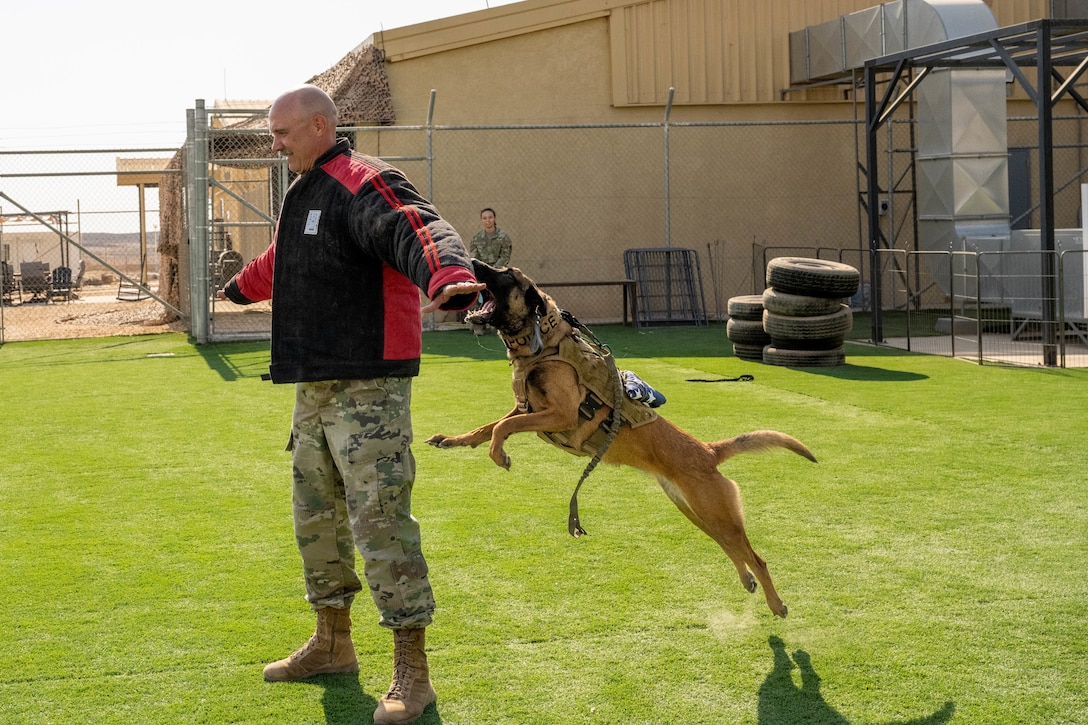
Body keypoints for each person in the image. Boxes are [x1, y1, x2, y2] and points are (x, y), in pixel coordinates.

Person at [218, 85, 483, 725]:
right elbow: (289, 257)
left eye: (282, 134)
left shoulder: (367, 180)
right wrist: (241, 286)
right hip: (314, 383)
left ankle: (411, 675)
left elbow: (417, 225)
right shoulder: (305, 191)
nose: (275, 145)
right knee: (316, 518)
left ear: (318, 126)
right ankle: (333, 645)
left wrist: (447, 276)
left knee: (381, 520)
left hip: (370, 384)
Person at [467, 208, 513, 334]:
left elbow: (505, 256)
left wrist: (493, 271)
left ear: (495, 218)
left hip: (498, 272)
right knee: (476, 295)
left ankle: (497, 324)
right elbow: (474, 257)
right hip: (482, 273)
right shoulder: (477, 238)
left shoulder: (503, 237)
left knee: (500, 297)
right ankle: (477, 325)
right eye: (485, 218)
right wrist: (482, 271)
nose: (488, 220)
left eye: (490, 217)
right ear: (482, 220)